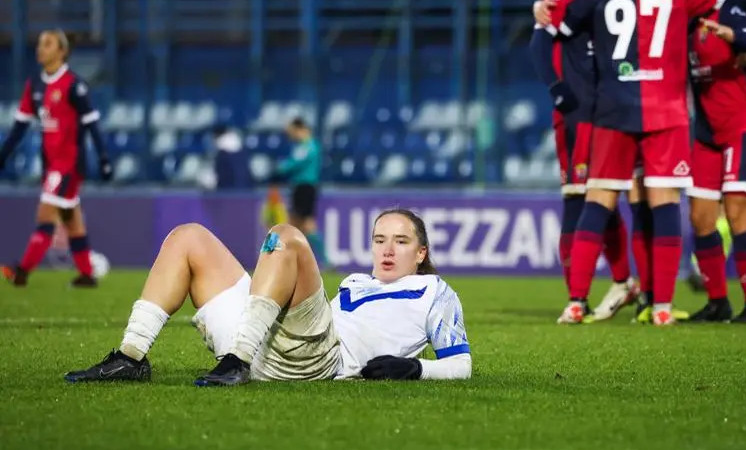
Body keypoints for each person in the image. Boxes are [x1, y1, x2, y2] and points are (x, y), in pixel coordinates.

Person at [532, 0, 746, 326]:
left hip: (611, 107)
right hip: (665, 110)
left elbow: (560, 21)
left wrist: (543, 12)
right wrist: (742, 9)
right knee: (664, 203)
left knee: (597, 202)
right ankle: (662, 307)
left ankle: (577, 301)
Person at [64, 208, 472, 384]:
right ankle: (130, 358)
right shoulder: (354, 282)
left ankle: (237, 360)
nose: (386, 249)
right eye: (380, 239)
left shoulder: (434, 291)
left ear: (421, 254)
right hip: (267, 341)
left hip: (316, 360)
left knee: (285, 237)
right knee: (187, 237)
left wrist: (416, 369)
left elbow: (462, 365)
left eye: (400, 242)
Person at [529, 0, 635, 324]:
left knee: (609, 202)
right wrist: (560, 95)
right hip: (581, 115)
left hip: (617, 109)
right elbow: (538, 48)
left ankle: (627, 284)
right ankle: (580, 296)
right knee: (579, 202)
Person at [685, 0, 746, 324]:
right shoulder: (687, 17)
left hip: (742, 129)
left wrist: (730, 34)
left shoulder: (730, 9)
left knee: (738, 215)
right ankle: (718, 303)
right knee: (702, 219)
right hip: (706, 132)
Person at [0, 29, 113, 288]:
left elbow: (93, 124)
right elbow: (20, 125)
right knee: (72, 220)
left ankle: (22, 272)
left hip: (69, 165)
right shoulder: (35, 85)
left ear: (61, 51)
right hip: (51, 165)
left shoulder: (74, 86)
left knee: (46, 215)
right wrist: (3, 154)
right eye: (39, 43)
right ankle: (87, 275)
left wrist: (104, 157)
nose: (40, 49)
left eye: (47, 44)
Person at [276, 117, 329, 266]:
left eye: (292, 132)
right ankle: (292, 259)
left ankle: (324, 259)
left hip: (305, 187)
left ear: (300, 129)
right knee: (297, 224)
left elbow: (294, 163)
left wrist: (280, 167)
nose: (291, 136)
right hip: (300, 187)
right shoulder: (303, 146)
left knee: (303, 224)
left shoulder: (309, 146)